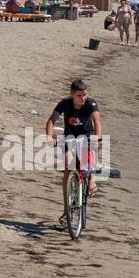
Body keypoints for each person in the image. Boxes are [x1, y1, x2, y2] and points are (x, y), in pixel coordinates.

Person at [45, 79, 101, 222]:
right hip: (69, 139)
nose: (83, 98)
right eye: (79, 95)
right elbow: (51, 120)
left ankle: (91, 179)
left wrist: (98, 136)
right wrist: (49, 136)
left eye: (84, 95)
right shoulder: (65, 103)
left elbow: (97, 122)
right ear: (72, 94)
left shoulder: (91, 103)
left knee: (89, 153)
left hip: (87, 137)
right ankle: (67, 210)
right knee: (68, 170)